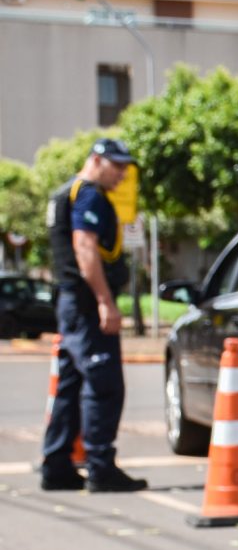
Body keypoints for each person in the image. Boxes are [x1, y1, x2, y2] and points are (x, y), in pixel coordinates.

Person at [39, 137, 145, 493]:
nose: (121, 175)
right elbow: (84, 248)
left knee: (69, 387)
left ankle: (56, 466)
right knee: (104, 386)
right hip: (86, 305)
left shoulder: (63, 194)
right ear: (97, 160)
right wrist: (106, 302)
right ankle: (100, 467)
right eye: (117, 166)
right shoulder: (87, 194)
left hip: (70, 303)